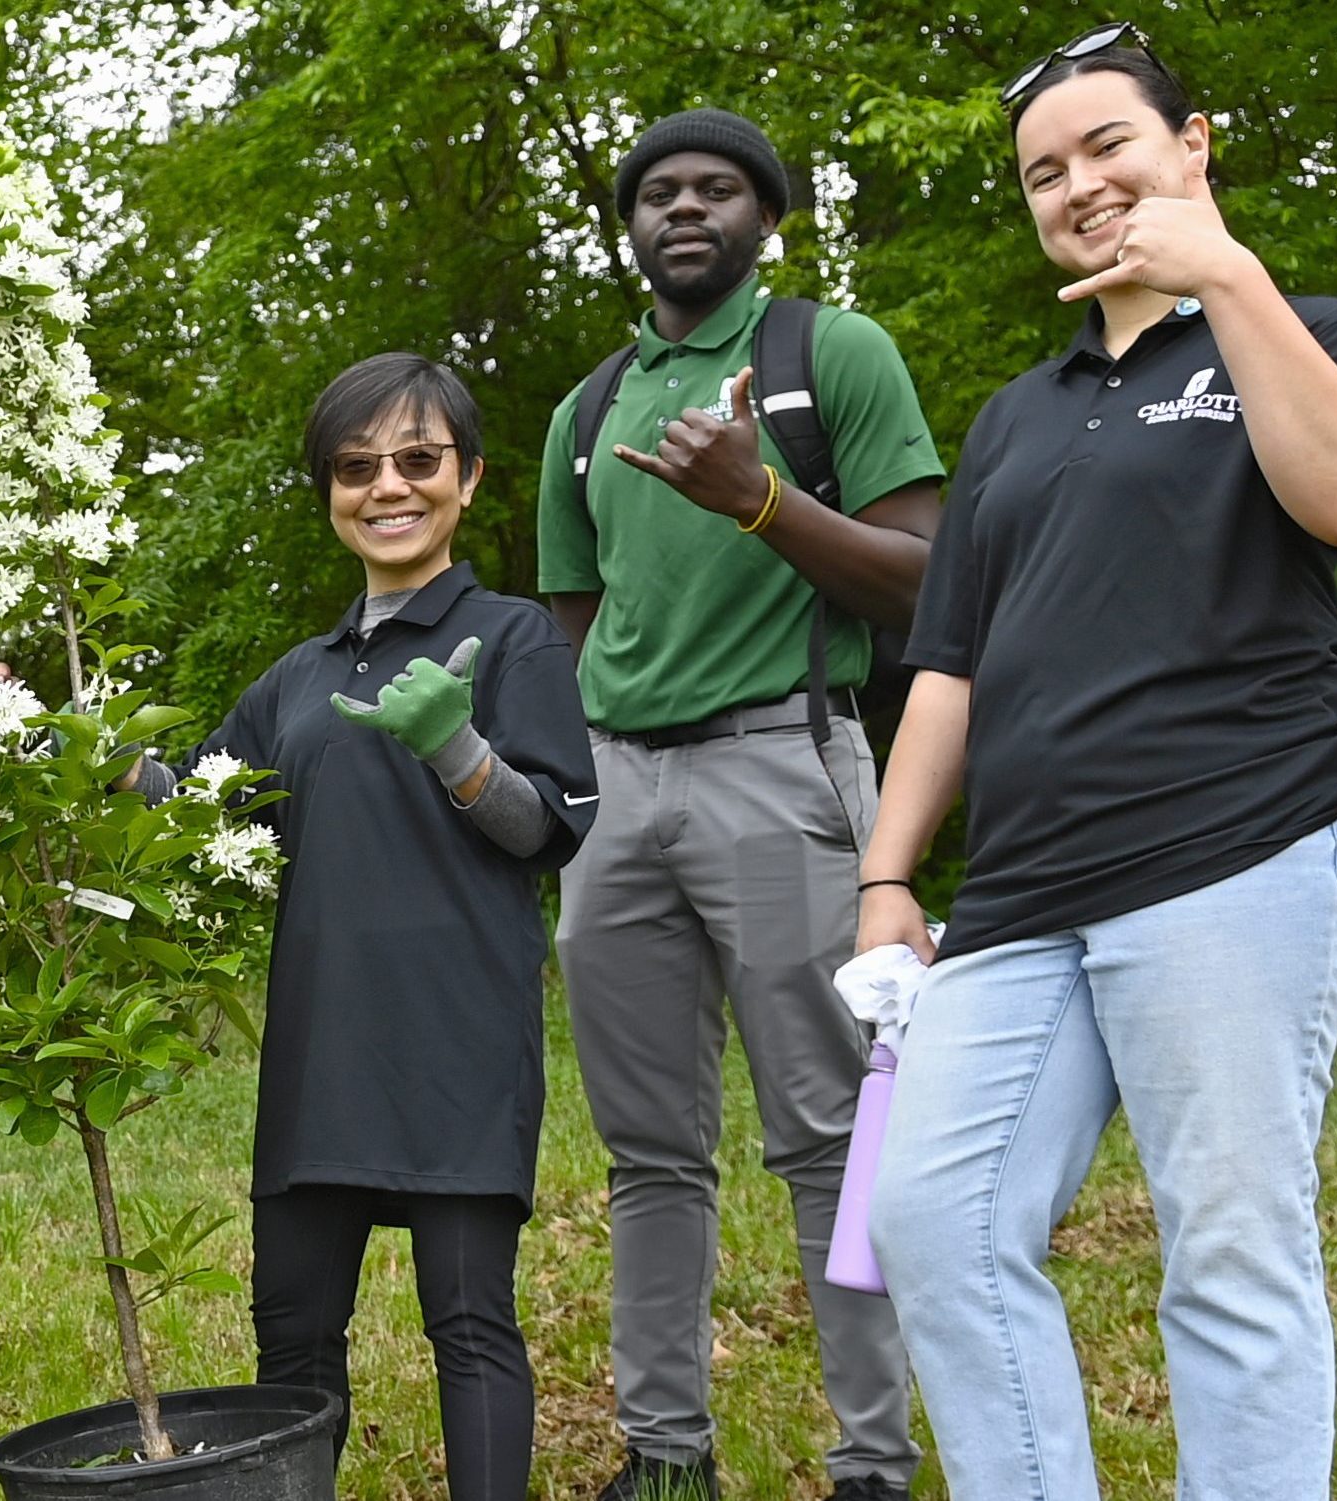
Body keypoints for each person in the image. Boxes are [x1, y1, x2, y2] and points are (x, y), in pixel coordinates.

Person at [861, 30, 1337, 1501]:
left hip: (1244, 841)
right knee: (935, 1217)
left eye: (1109, 145)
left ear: (1195, 144)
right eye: (1045, 172)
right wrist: (885, 876)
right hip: (1026, 890)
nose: (1078, 186)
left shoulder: (1312, 330)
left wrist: (1226, 278)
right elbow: (950, 661)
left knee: (1228, 1241)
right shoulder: (1014, 419)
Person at [535, 106, 945, 1501]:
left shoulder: (829, 356)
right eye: (658, 191)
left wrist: (762, 499)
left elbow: (922, 579)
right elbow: (578, 613)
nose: (685, 207)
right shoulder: (587, 410)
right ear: (630, 226)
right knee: (648, 1149)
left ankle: (872, 1461)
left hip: (792, 765)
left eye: (718, 188)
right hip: (622, 791)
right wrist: (613, 754)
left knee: (832, 1135)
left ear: (767, 217)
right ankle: (664, 1453)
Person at [126, 353, 596, 1499]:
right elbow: (186, 809)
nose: (387, 486)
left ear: (468, 478)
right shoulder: (295, 679)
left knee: (469, 1320)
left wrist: (456, 747)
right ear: (329, 490)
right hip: (320, 1050)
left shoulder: (513, 636)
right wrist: (54, 747)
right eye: (354, 466)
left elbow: (547, 830)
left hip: (459, 1042)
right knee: (290, 1334)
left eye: (417, 459)